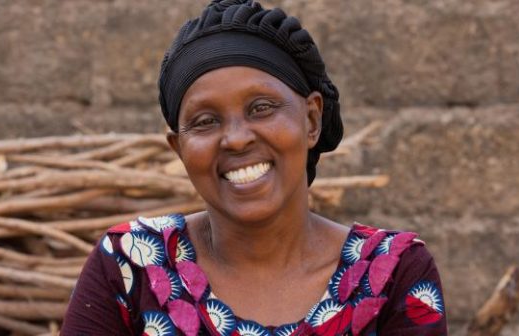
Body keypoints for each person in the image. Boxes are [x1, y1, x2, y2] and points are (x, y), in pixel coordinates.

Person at [61, 0, 447, 335]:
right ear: (179, 149)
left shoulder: (392, 274)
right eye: (205, 121)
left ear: (311, 120)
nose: (236, 139)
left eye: (261, 108)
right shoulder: (132, 266)